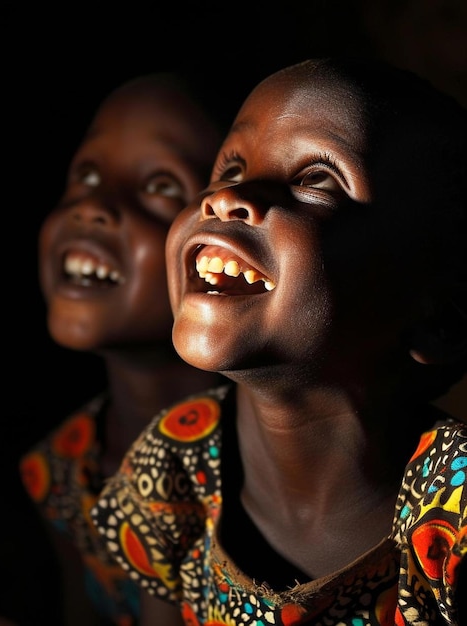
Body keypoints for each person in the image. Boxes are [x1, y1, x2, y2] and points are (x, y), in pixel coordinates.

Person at [90, 57, 467, 626]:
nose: (225, 199)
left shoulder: (454, 520)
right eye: (228, 170)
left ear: (438, 320)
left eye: (315, 178)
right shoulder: (174, 464)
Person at [19, 71, 224, 626]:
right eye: (85, 174)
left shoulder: (273, 464)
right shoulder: (60, 470)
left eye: (159, 186)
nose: (93, 207)